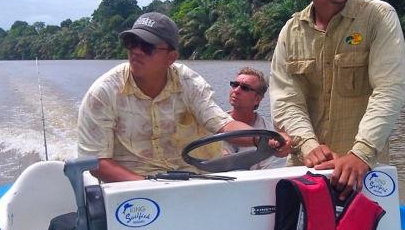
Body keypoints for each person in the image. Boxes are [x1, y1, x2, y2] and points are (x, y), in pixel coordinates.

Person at [270, 0, 405, 199]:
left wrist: (361, 152)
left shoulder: (377, 17)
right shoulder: (290, 32)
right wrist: (308, 145)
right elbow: (286, 100)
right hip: (306, 170)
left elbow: (389, 89)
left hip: (363, 172)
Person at [78, 12, 290, 182]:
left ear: (171, 57)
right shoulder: (103, 93)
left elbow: (223, 124)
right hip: (131, 189)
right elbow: (97, 162)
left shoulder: (188, 83)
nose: (136, 51)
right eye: (132, 43)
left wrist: (265, 138)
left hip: (194, 179)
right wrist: (146, 187)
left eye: (148, 46)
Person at [222, 67, 286, 169]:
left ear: (257, 99)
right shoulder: (211, 125)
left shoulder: (270, 135)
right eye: (234, 85)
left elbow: (271, 171)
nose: (237, 90)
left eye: (245, 88)